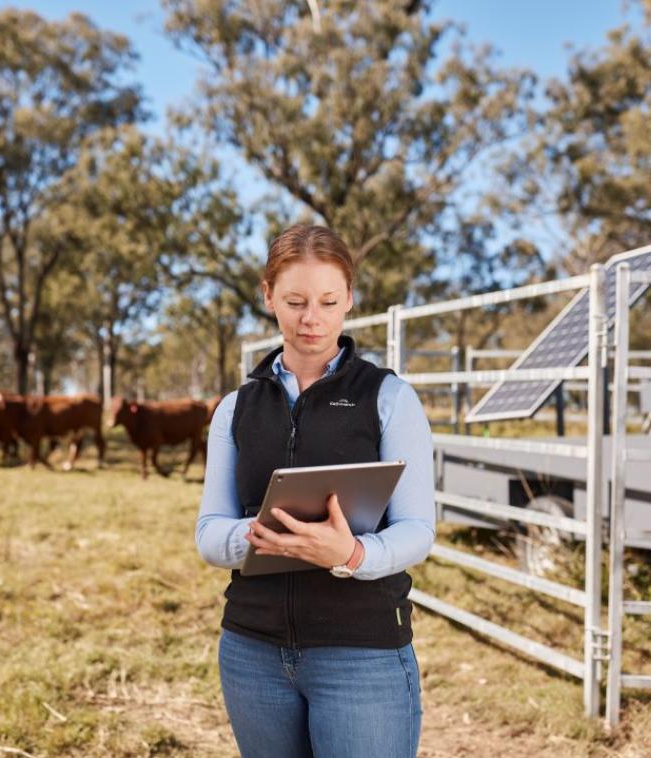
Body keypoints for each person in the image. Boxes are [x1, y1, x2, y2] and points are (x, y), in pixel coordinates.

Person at [195, 225, 436, 758]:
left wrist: (349, 554)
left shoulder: (390, 398)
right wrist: (259, 537)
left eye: (328, 301)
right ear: (267, 297)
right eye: (295, 301)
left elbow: (418, 530)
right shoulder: (235, 408)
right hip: (251, 652)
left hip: (362, 655)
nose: (312, 319)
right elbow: (209, 534)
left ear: (349, 297)